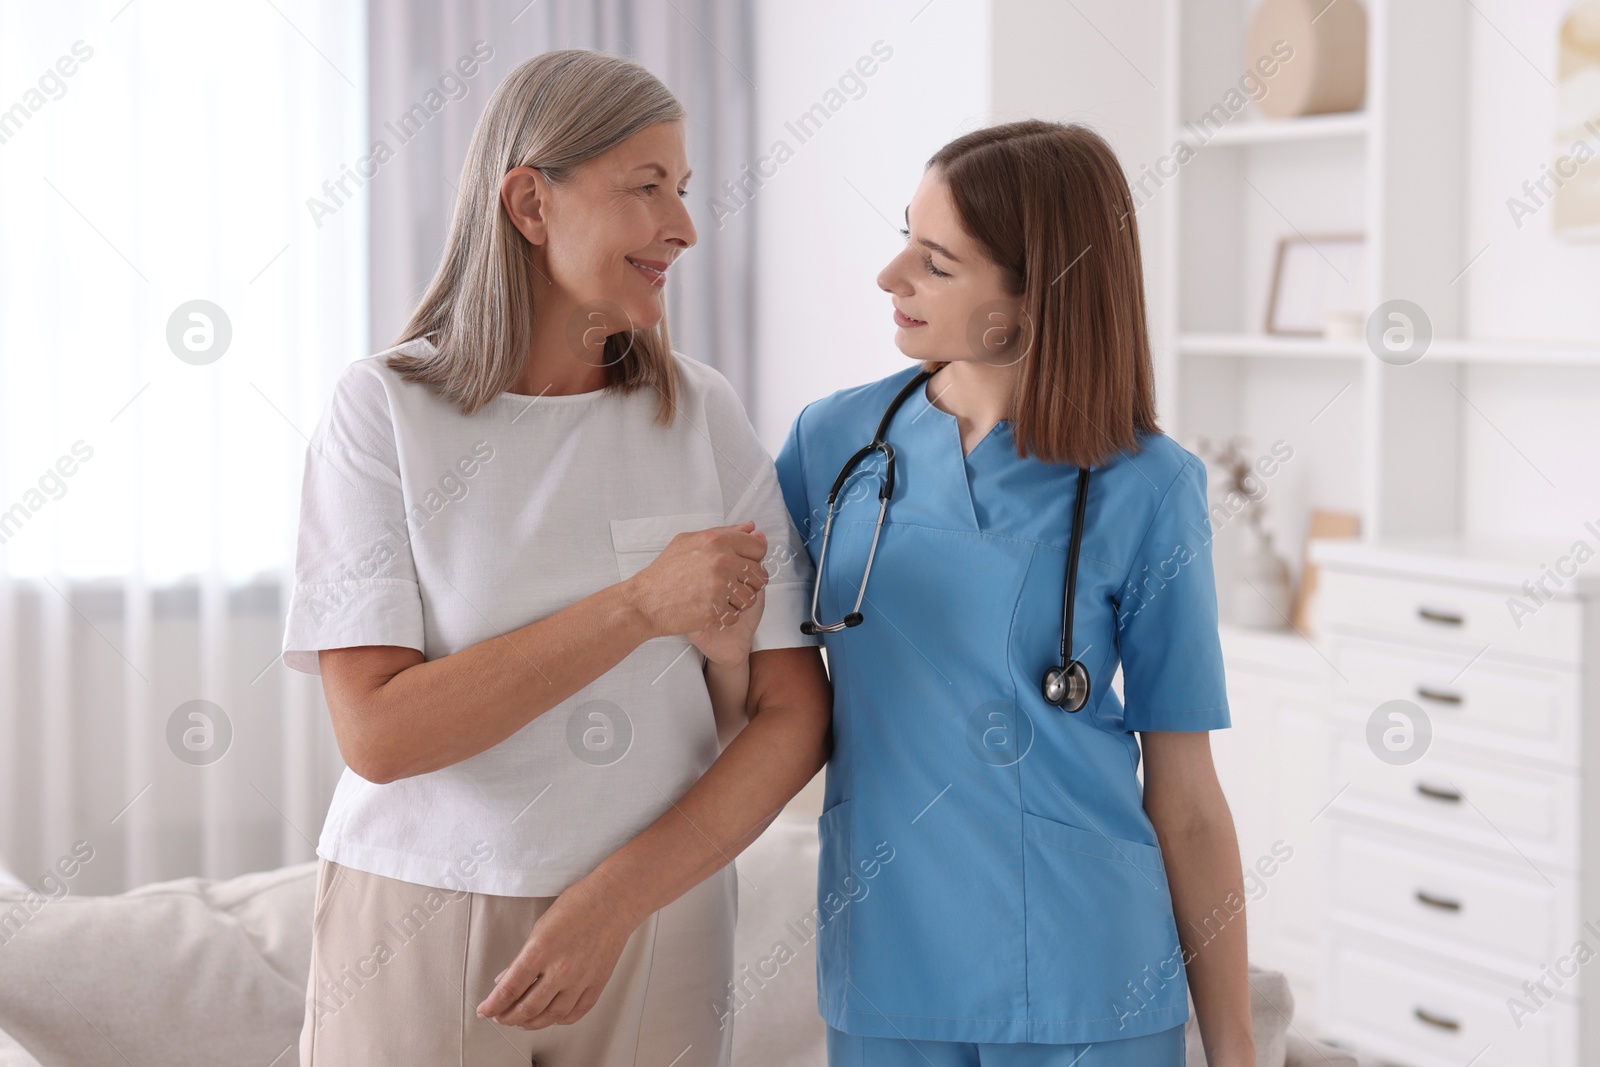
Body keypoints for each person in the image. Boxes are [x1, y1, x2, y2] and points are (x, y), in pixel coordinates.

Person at [282, 49, 830, 1066]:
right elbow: (379, 732)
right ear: (531, 202)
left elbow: (793, 715)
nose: (684, 226)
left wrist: (613, 900)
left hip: (656, 916)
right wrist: (636, 606)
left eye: (685, 190)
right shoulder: (385, 409)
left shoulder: (700, 412)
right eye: (646, 187)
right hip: (421, 908)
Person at [774, 120, 1257, 1066]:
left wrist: (1235, 1049)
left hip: (1090, 976)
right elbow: (751, 687)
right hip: (886, 959)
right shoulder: (832, 443)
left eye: (935, 262)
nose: (890, 277)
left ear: (1033, 295)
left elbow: (1188, 797)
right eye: (905, 239)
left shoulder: (1150, 485)